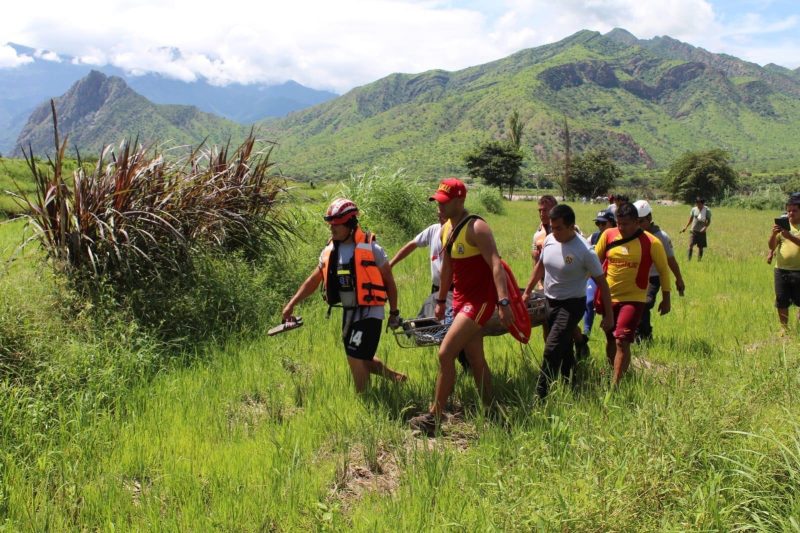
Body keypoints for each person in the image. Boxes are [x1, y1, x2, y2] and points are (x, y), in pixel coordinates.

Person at [408, 178, 512, 434]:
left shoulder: (478, 228)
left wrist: (504, 301)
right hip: (461, 300)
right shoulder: (446, 229)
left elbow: (496, 264)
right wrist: (441, 300)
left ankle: (434, 416)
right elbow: (448, 269)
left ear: (459, 201)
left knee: (445, 354)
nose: (438, 207)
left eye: (443, 203)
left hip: (480, 301)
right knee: (476, 358)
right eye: (437, 202)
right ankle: (493, 411)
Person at [282, 198, 407, 393]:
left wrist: (394, 311)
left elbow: (389, 281)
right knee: (360, 356)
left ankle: (364, 397)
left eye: (336, 224)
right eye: (330, 224)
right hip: (349, 312)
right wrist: (292, 304)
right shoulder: (329, 251)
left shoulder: (372, 249)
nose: (332, 228)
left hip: (369, 312)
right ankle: (395, 377)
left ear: (350, 224)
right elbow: (313, 281)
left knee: (355, 356)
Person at [522, 204, 612, 398]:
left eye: (559, 228)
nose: (554, 232)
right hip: (550, 302)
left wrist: (609, 316)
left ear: (572, 226)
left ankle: (541, 393)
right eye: (552, 228)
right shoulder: (549, 240)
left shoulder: (585, 251)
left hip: (572, 305)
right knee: (564, 347)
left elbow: (603, 285)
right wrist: (527, 292)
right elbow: (540, 266)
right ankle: (572, 383)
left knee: (552, 347)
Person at [595, 203, 671, 386]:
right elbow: (594, 262)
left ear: (637, 222)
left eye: (626, 224)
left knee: (622, 341)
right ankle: (613, 370)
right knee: (611, 337)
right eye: (619, 223)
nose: (621, 228)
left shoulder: (652, 242)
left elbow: (663, 270)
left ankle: (615, 385)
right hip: (609, 296)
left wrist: (666, 298)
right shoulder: (608, 235)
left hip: (634, 298)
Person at [634, 200, 686, 342]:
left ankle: (644, 335)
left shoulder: (661, 237)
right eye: (635, 221)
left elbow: (671, 261)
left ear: (649, 218)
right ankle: (639, 334)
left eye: (641, 221)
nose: (637, 225)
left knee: (645, 303)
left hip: (653, 277)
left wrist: (679, 279)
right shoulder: (633, 234)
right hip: (635, 276)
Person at [768, 194, 800, 332]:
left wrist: (790, 237)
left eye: (794, 210)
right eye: (789, 210)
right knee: (781, 300)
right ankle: (784, 329)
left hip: (799, 270)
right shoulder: (783, 226)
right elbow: (771, 246)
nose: (791, 213)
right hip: (781, 270)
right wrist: (773, 235)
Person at [583, 209, 616, 338]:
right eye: (598, 224)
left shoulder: (618, 237)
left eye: (603, 223)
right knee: (589, 301)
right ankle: (586, 332)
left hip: (611, 276)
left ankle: (612, 331)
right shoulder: (594, 237)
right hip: (595, 276)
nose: (600, 227)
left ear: (612, 223)